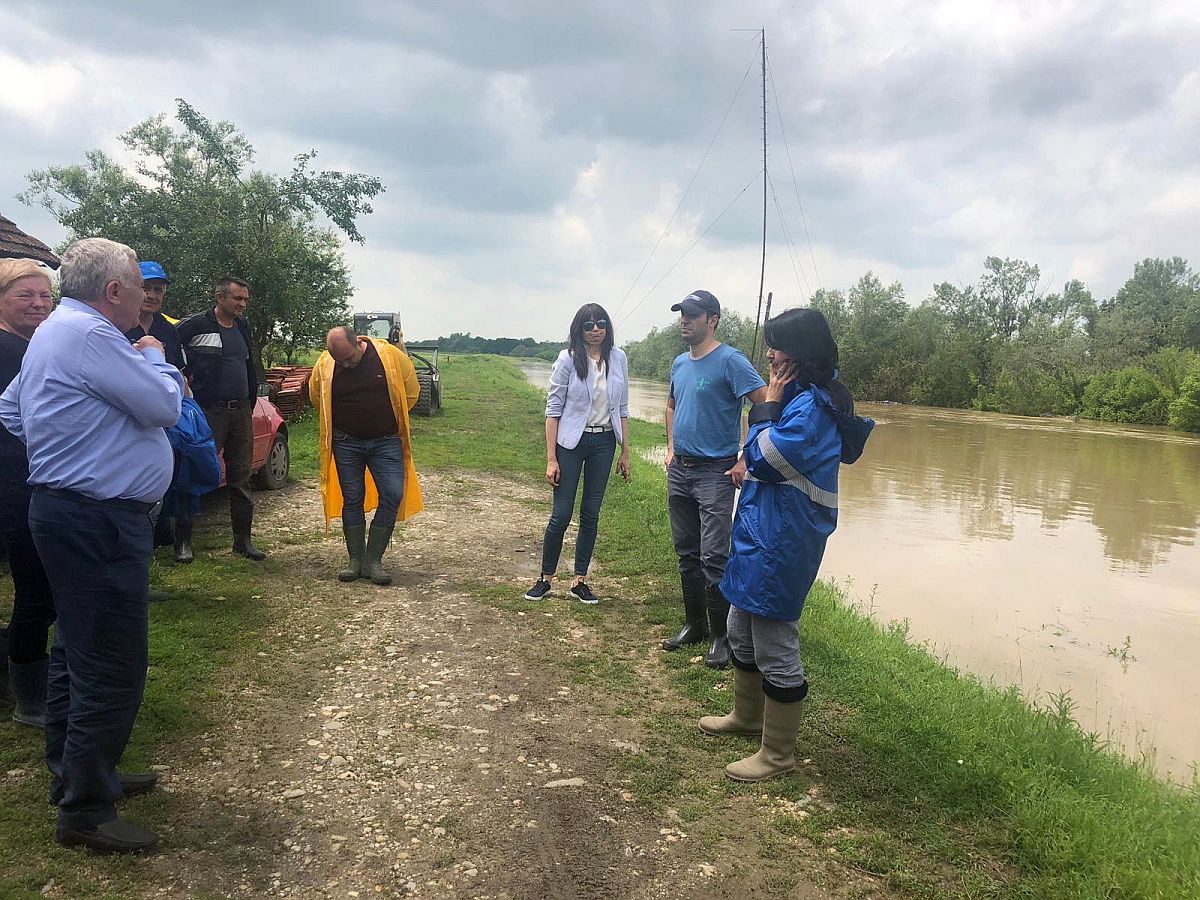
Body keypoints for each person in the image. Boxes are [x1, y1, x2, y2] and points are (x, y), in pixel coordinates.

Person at [0, 237, 184, 852]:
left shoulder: (55, 331)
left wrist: (71, 444)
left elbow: (11, 410)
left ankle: (77, 776)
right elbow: (164, 405)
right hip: (97, 520)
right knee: (110, 663)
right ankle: (85, 811)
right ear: (113, 290)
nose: (145, 299)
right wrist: (156, 357)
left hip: (71, 512)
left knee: (75, 652)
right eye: (138, 287)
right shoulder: (92, 335)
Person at [698, 308, 873, 782]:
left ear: (799, 355)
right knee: (739, 629)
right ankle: (747, 717)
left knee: (775, 643)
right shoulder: (795, 399)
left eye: (776, 347)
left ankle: (777, 754)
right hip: (760, 533)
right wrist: (770, 409)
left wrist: (766, 409)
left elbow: (766, 458)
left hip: (784, 540)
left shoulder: (812, 409)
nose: (770, 355)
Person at [662, 290, 766, 668]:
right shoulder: (679, 363)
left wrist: (746, 457)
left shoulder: (731, 361)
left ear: (713, 320)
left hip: (715, 472)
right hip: (680, 469)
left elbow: (766, 405)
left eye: (693, 314)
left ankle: (721, 637)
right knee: (687, 553)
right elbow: (671, 406)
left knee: (714, 556)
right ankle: (695, 625)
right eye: (682, 314)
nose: (685, 320)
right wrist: (671, 447)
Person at [524, 304, 631, 604]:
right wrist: (551, 459)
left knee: (591, 513)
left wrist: (625, 451)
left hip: (604, 442)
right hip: (571, 443)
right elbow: (553, 410)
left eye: (601, 323)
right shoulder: (568, 359)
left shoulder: (619, 358)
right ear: (579, 330)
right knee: (561, 514)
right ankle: (546, 578)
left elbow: (622, 408)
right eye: (588, 325)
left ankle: (580, 580)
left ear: (607, 327)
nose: (595, 329)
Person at [308, 326, 424, 585]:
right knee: (352, 498)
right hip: (346, 442)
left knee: (392, 494)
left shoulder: (390, 356)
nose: (345, 365)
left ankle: (374, 560)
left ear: (358, 342)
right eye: (340, 360)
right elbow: (317, 397)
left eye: (349, 358)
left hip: (386, 441)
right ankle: (355, 561)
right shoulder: (325, 364)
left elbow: (410, 391)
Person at [0, 259, 55, 726]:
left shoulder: (32, 346)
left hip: (31, 479)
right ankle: (30, 699)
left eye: (45, 296)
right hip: (14, 484)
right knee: (36, 591)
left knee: (40, 589)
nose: (38, 304)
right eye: (25, 295)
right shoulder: (8, 351)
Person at [175, 276, 266, 561]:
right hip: (208, 412)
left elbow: (248, 365)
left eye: (245, 299)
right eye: (237, 298)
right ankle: (182, 542)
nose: (242, 304)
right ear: (219, 298)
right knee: (195, 472)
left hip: (241, 412)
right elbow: (169, 348)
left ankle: (243, 541)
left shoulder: (242, 326)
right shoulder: (196, 325)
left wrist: (250, 400)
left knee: (241, 477)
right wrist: (184, 378)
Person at [124, 261, 186, 594]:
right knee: (133, 498)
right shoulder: (119, 325)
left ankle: (143, 569)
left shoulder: (168, 329)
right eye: (146, 287)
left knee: (159, 494)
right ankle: (133, 576)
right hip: (130, 422)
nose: (152, 295)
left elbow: (182, 375)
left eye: (158, 289)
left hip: (165, 419)